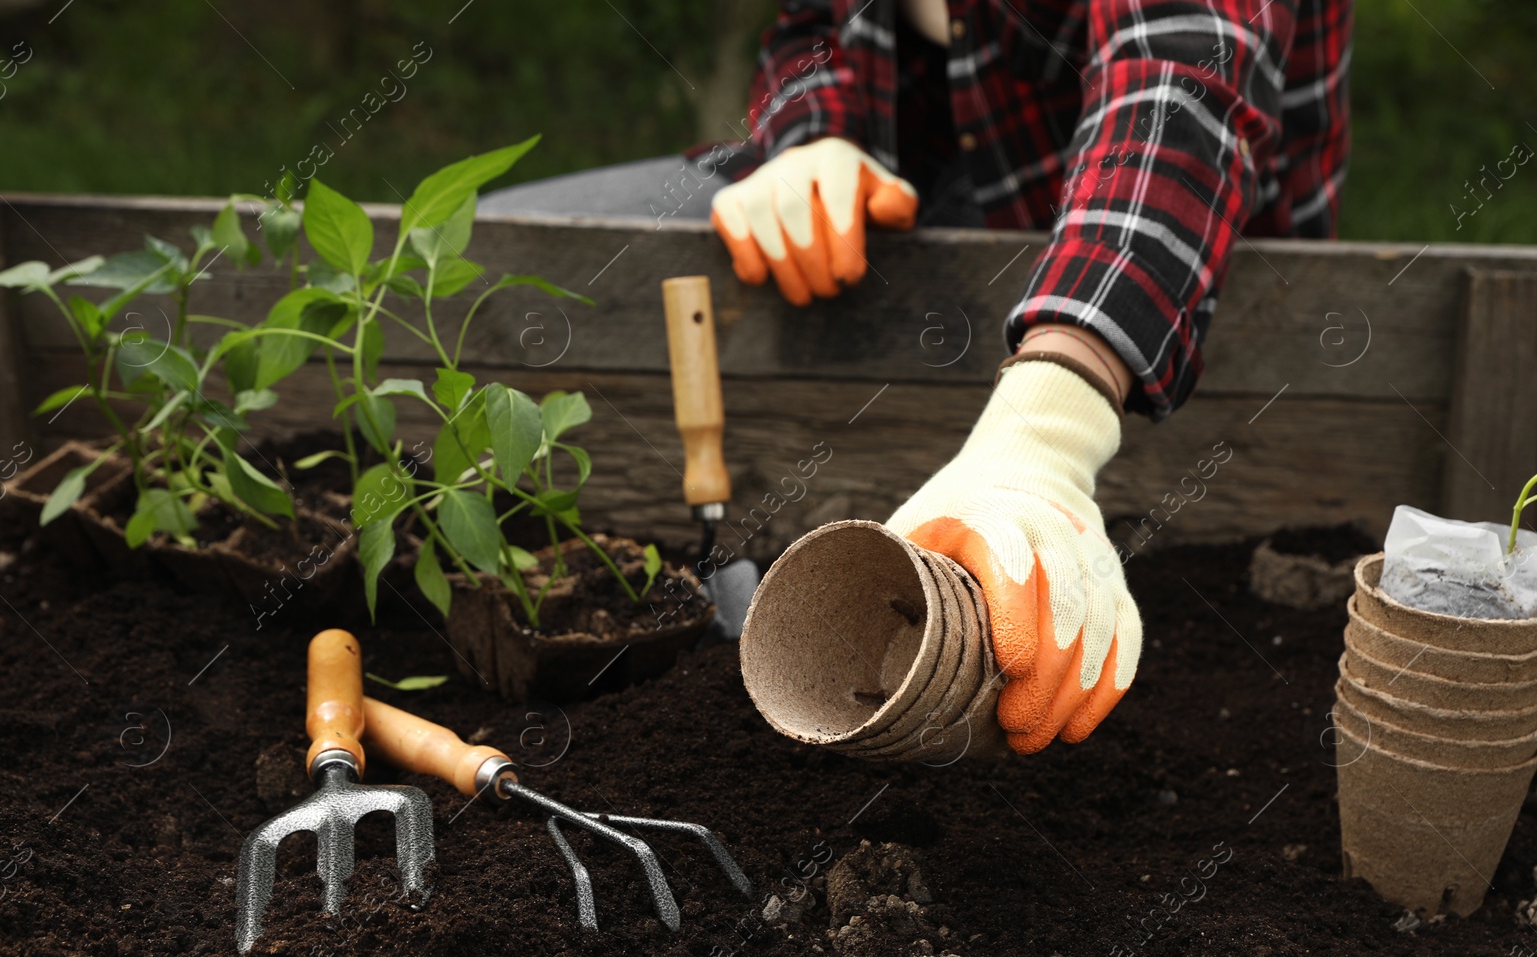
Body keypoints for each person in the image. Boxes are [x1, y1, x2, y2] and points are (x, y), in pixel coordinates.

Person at [482, 0, 1351, 754]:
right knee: (491, 250)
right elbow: (813, 28)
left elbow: (1177, 83)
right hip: (922, 194)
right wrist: (813, 140)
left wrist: (1046, 433)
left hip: (1155, 257)